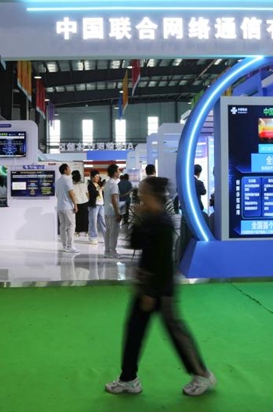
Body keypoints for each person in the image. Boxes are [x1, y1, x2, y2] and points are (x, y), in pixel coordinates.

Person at [105, 176, 215, 397]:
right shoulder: (150, 217)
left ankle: (202, 374)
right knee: (134, 330)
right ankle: (129, 378)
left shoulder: (163, 223)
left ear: (152, 194)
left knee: (175, 332)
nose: (139, 193)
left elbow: (164, 262)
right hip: (146, 285)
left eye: (143, 190)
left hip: (159, 289)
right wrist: (136, 217)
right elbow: (134, 244)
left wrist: (151, 293)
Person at [56, 164, 79, 253]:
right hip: (68, 207)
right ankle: (70, 246)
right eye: (69, 168)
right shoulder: (68, 179)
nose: (70, 170)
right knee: (71, 226)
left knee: (62, 226)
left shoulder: (58, 181)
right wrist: (75, 205)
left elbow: (57, 194)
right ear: (65, 170)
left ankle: (64, 245)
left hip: (60, 206)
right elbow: (71, 193)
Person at [104, 165, 123, 259]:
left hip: (106, 211)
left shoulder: (107, 183)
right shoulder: (114, 184)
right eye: (118, 170)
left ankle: (107, 251)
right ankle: (113, 251)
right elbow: (114, 199)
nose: (119, 172)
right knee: (114, 232)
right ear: (115, 172)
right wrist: (117, 213)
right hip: (112, 211)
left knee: (108, 231)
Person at [87, 170, 106, 246]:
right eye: (96, 176)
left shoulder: (99, 184)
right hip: (94, 205)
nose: (98, 178)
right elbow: (93, 194)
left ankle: (106, 237)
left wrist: (101, 188)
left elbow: (102, 194)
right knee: (93, 222)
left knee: (103, 221)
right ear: (92, 177)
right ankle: (93, 237)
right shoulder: (90, 185)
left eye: (98, 176)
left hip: (101, 204)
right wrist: (100, 189)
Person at [72, 170, 89, 237]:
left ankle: (77, 231)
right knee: (85, 217)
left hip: (77, 202)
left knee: (78, 218)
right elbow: (87, 194)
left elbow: (72, 195)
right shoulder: (84, 184)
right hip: (85, 201)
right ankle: (86, 231)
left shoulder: (72, 186)